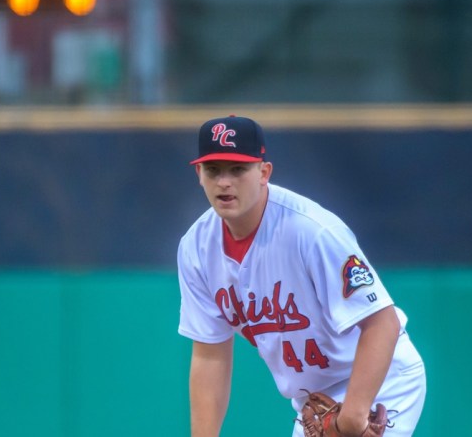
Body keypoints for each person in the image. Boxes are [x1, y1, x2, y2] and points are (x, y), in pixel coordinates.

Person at [177, 116, 426, 436]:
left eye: (238, 169)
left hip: (382, 384)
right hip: (314, 405)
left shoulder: (313, 231)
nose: (224, 182)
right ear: (199, 174)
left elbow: (383, 324)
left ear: (264, 173)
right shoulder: (196, 248)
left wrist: (352, 416)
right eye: (214, 170)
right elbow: (210, 355)